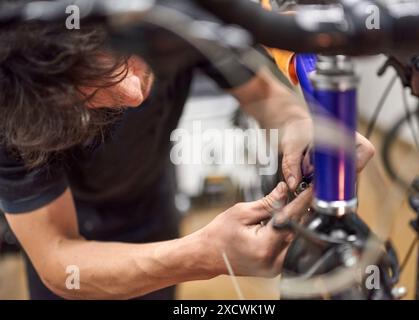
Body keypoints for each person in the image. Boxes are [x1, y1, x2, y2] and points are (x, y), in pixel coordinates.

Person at [0, 0, 374, 299]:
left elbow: (263, 94)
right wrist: (204, 254)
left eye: (121, 55)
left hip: (151, 204)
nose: (134, 94)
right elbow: (57, 259)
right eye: (91, 90)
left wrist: (299, 127)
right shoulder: (12, 90)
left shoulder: (177, 13)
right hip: (65, 229)